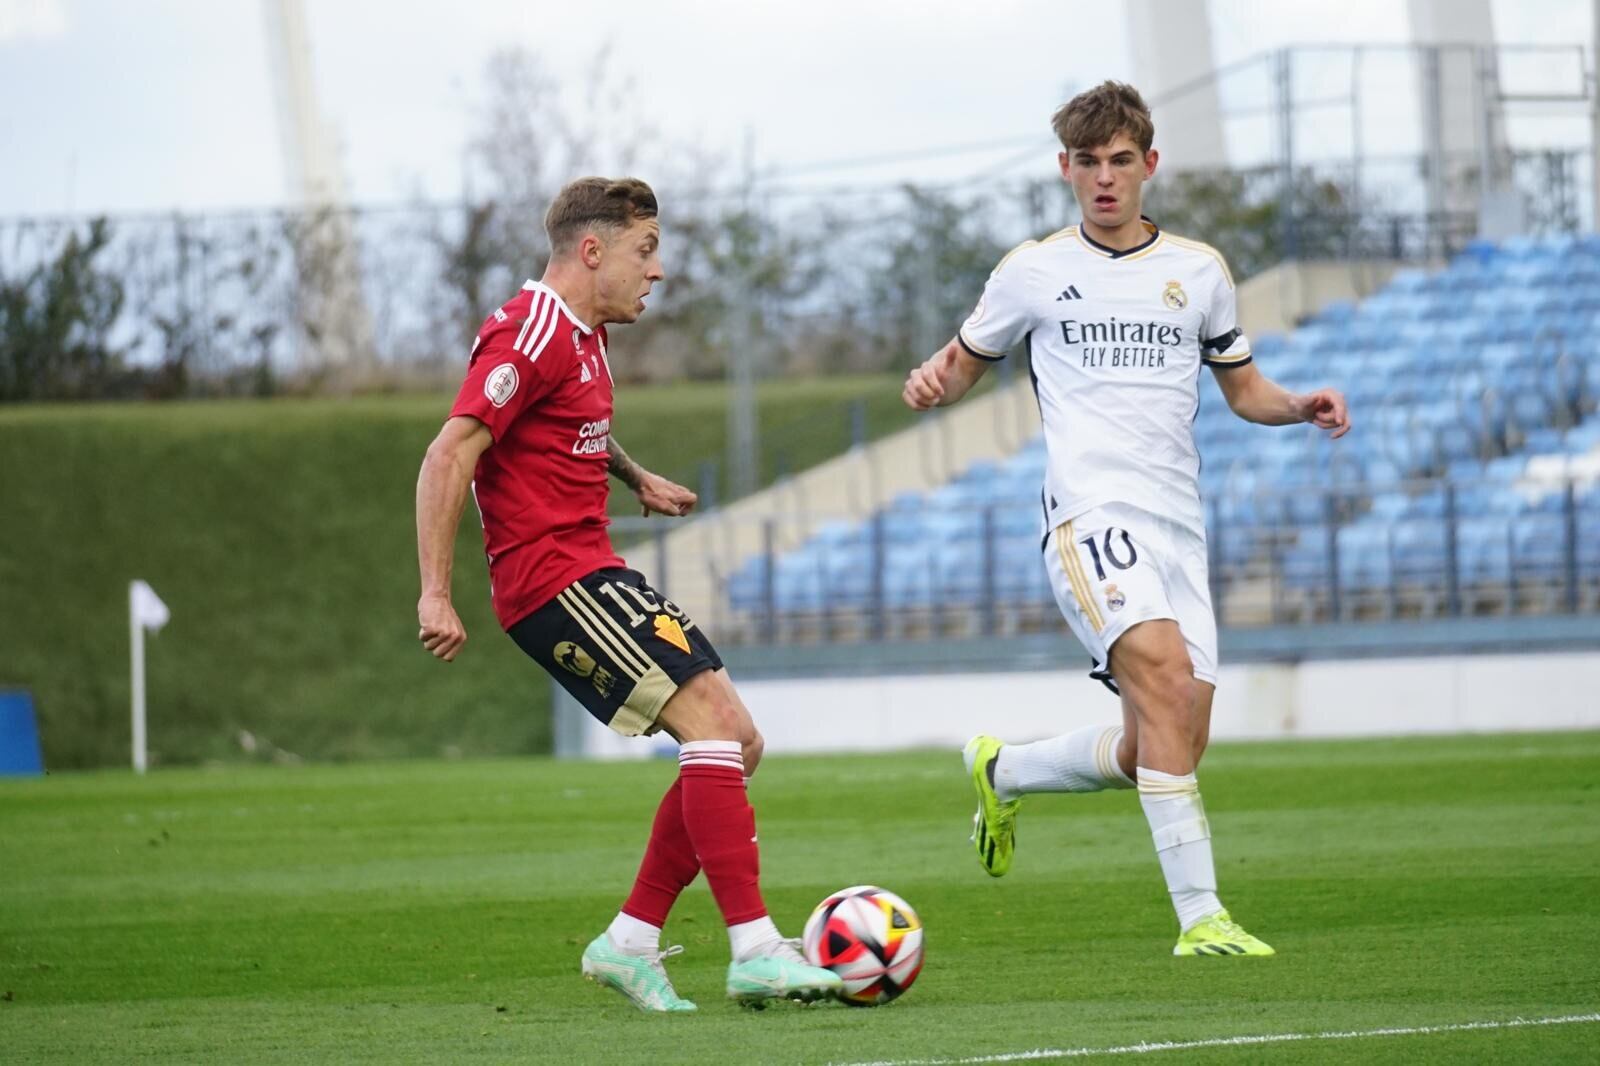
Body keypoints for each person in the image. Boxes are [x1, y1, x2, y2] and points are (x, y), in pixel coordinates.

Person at [901, 82, 1350, 957]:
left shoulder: (1199, 272)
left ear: (1149, 166)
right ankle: (1202, 918)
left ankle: (1006, 769)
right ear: (1064, 170)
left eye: (1119, 162)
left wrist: (1300, 405)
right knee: (1169, 684)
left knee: (1170, 739)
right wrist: (930, 381)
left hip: (1180, 524)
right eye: (1086, 164)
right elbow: (963, 361)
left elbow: (1242, 387)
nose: (1104, 179)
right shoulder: (1032, 270)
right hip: (1088, 511)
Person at [415, 176, 842, 1011]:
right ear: (591, 250)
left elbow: (575, 426)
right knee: (714, 732)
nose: (656, 272)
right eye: (645, 252)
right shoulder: (528, 334)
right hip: (552, 578)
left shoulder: (585, 335)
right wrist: (436, 592)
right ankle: (754, 947)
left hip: (595, 568)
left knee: (738, 741)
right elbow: (448, 454)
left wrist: (636, 475)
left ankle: (630, 941)